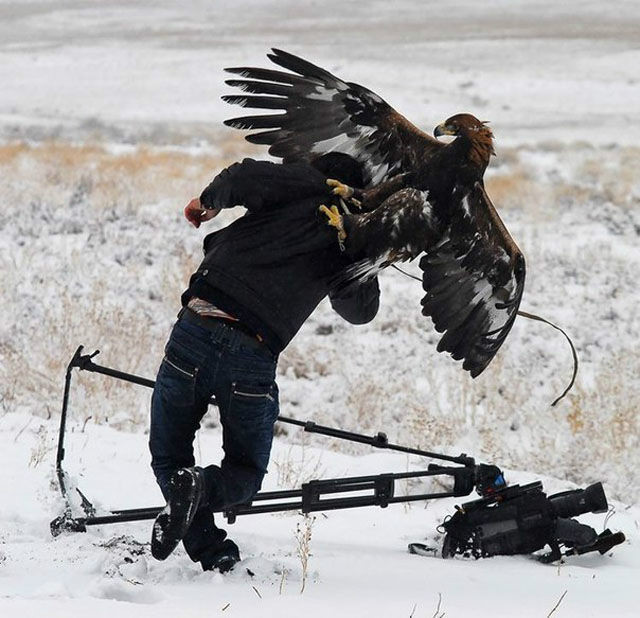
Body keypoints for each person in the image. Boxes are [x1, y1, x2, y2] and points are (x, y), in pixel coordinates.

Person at [149, 153, 380, 573]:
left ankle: (199, 517)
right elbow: (361, 310)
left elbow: (244, 175)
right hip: (251, 355)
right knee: (245, 472)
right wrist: (359, 247)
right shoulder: (347, 232)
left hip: (195, 328)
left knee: (169, 456)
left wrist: (209, 200)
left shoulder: (300, 183)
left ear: (321, 171)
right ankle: (206, 523)